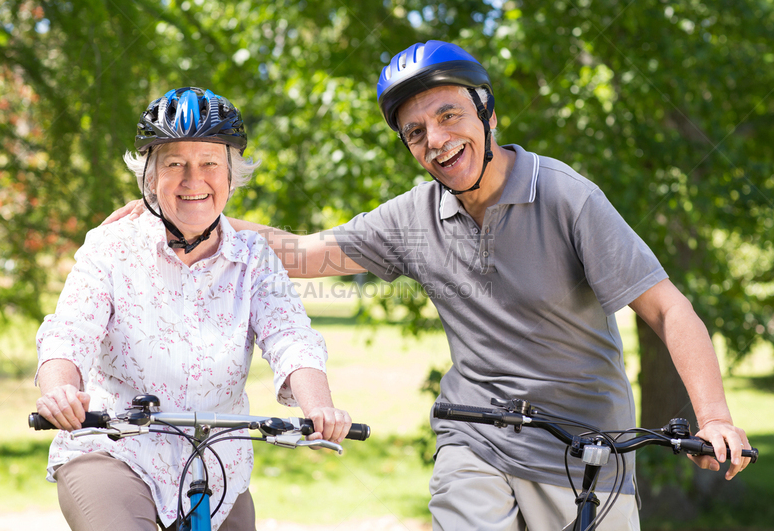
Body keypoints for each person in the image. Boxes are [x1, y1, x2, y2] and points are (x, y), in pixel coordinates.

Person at [106, 43, 751, 530]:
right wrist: (195, 208)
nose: (438, 141)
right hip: (477, 435)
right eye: (417, 133)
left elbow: (668, 309)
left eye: (449, 116)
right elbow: (307, 254)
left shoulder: (565, 197)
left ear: (487, 111)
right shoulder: (416, 218)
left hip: (586, 449)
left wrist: (714, 417)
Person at [35, 86, 352, 531]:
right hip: (114, 451)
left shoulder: (254, 258)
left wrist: (320, 407)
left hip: (218, 466)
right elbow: (69, 332)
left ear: (230, 175)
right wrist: (61, 390)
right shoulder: (110, 247)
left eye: (209, 164)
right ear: (150, 177)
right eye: (175, 164)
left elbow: (291, 337)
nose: (193, 179)